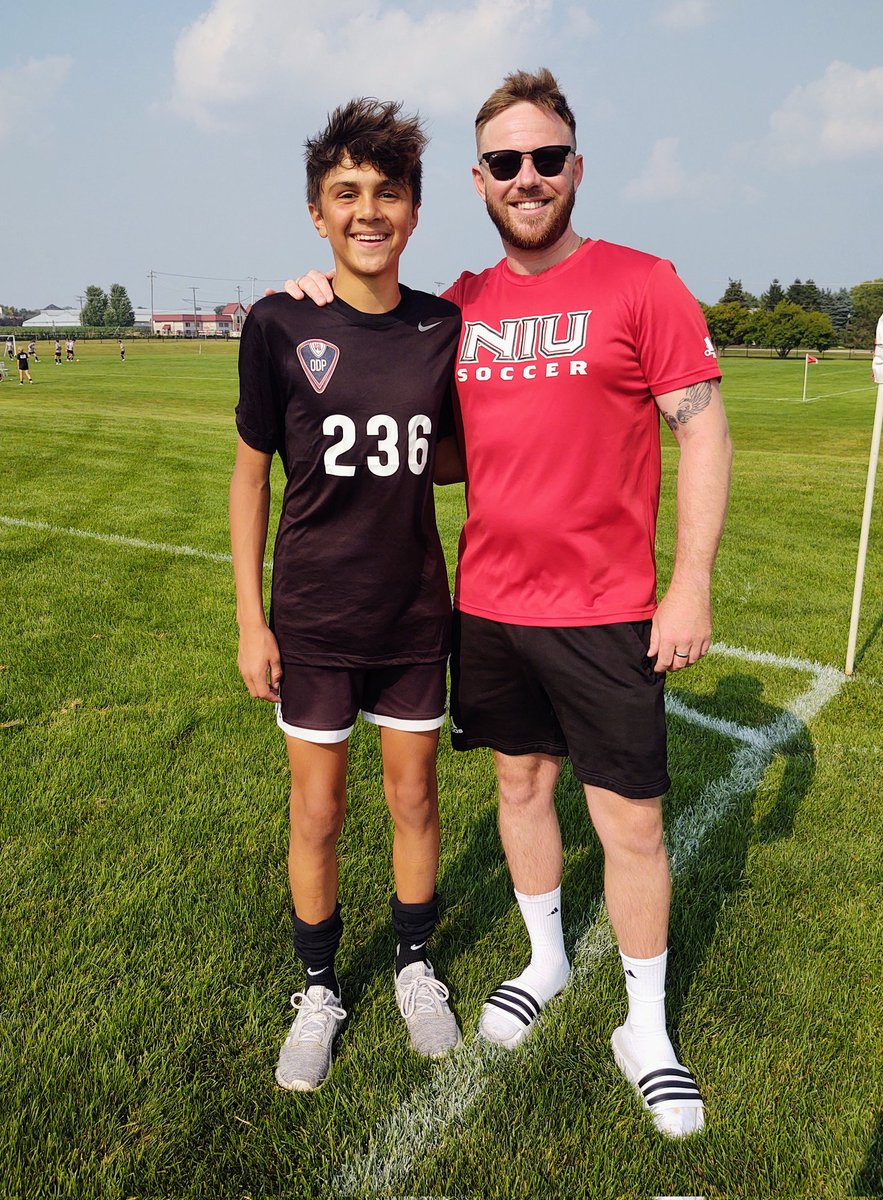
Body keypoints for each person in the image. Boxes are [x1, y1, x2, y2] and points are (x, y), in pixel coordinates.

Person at [284, 68, 732, 1138]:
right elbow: (404, 405)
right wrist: (312, 301)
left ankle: (646, 1028)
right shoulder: (463, 307)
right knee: (521, 791)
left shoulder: (642, 283)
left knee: (630, 822)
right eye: (505, 162)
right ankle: (542, 961)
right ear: (480, 181)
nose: (527, 178)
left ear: (574, 167)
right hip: (486, 606)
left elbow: (701, 427)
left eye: (546, 158)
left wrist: (692, 582)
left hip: (608, 606)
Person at [229, 97, 464, 1094]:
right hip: (314, 621)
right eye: (347, 194)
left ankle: (415, 965)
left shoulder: (445, 325)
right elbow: (250, 476)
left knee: (414, 795)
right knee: (317, 810)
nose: (369, 210)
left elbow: (452, 460)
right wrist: (250, 616)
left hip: (413, 615)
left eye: (388, 192)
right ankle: (319, 988)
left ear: (413, 210)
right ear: (319, 214)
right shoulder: (280, 322)